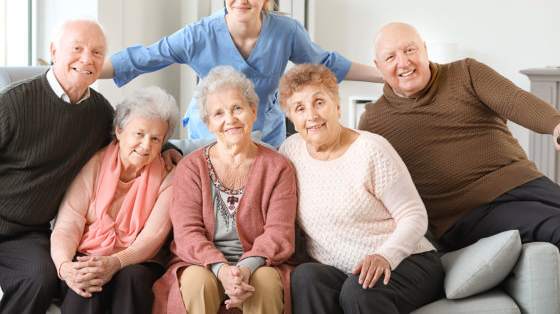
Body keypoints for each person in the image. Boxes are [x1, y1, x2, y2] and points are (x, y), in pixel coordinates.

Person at [100, 0, 382, 148]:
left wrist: (385, 76)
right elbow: (145, 57)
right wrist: (83, 72)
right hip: (210, 134)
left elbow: (328, 63)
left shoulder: (286, 31)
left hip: (265, 134)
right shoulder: (199, 35)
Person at [359, 22, 560, 250]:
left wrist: (555, 124)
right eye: (390, 57)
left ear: (425, 49)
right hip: (466, 214)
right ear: (378, 66)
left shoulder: (465, 72)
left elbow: (514, 100)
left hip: (525, 182)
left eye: (409, 50)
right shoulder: (373, 121)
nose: (403, 62)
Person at [0, 17, 114, 313]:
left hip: (25, 230)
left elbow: (132, 136)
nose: (87, 59)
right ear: (54, 51)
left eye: (97, 52)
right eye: (77, 48)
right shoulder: (13, 103)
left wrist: (169, 151)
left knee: (40, 279)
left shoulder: (99, 114)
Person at [278, 64, 444, 314]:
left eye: (319, 102)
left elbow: (414, 215)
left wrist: (385, 256)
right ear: (292, 118)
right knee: (305, 277)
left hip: (406, 260)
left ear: (337, 106)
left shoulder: (371, 150)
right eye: (300, 108)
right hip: (344, 270)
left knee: (360, 290)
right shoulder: (290, 151)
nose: (311, 115)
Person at [152, 65, 297, 314]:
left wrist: (245, 269)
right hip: (201, 264)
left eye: (237, 108)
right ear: (208, 124)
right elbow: (187, 233)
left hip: (261, 264)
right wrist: (221, 269)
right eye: (218, 113)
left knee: (264, 283)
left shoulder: (278, 167)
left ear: (253, 111)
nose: (230, 119)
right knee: (197, 283)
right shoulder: (190, 168)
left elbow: (279, 233)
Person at [50, 86, 179, 313]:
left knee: (133, 278)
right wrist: (65, 267)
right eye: (139, 134)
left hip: (140, 260)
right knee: (87, 280)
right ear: (119, 131)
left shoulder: (170, 176)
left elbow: (153, 237)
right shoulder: (94, 165)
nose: (146, 145)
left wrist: (116, 262)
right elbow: (68, 224)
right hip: (88, 253)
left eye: (156, 138)